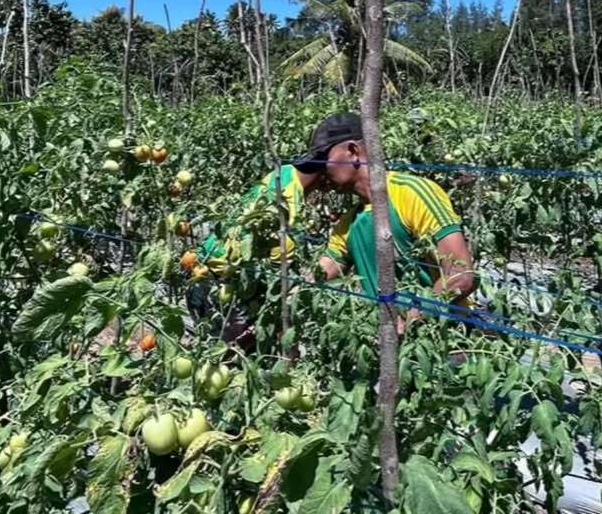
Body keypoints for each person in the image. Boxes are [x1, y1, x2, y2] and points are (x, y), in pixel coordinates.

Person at [299, 113, 478, 335]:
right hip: (394, 344)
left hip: (447, 337)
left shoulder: (412, 193)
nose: (320, 172)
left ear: (353, 152)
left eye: (323, 159)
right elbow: (320, 274)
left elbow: (461, 276)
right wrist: (286, 294)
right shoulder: (349, 223)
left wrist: (408, 321)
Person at [185, 161, 325, 348]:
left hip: (203, 268)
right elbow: (277, 276)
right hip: (223, 286)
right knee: (226, 353)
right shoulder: (288, 207)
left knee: (207, 348)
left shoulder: (283, 173)